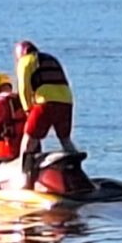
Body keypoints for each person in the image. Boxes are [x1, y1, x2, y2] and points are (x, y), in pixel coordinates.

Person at [13, 40, 78, 188]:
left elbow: (24, 88)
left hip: (45, 102)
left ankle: (24, 180)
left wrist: (27, 109)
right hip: (66, 101)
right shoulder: (50, 58)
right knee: (65, 139)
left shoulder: (26, 61)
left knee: (29, 141)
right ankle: (76, 173)